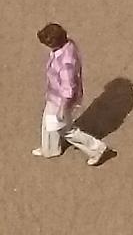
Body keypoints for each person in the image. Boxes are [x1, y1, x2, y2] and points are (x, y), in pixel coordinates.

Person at [33, 23, 110, 165]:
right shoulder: (68, 45)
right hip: (54, 95)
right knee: (49, 122)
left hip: (61, 101)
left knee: (65, 129)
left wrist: (62, 109)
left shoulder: (66, 63)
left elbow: (68, 90)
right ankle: (50, 149)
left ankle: (97, 149)